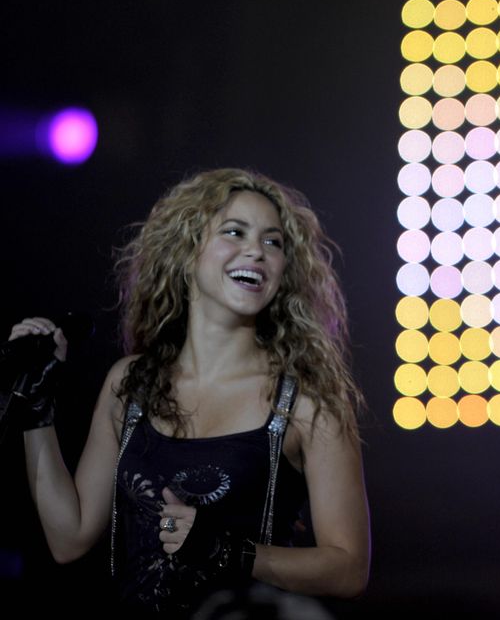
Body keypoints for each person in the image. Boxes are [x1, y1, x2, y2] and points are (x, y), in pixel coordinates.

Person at [7, 168, 370, 618]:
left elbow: (350, 569)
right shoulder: (131, 384)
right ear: (187, 250)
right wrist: (36, 412)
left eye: (273, 242)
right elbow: (69, 539)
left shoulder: (306, 399)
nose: (256, 251)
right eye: (234, 232)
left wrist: (230, 552)